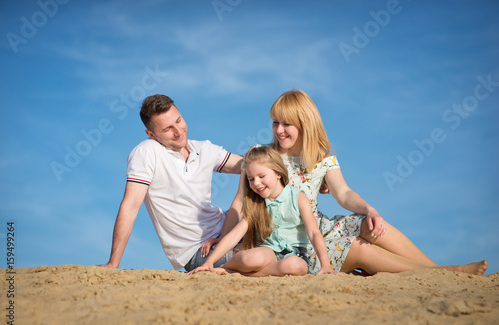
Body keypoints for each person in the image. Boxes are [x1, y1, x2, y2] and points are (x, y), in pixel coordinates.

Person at [268, 89, 487, 276]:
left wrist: (370, 210)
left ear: (305, 124)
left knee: (372, 224)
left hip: (321, 228)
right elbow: (235, 164)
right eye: (275, 122)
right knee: (357, 247)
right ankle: (444, 273)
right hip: (296, 243)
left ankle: (439, 269)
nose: (279, 130)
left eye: (287, 124)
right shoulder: (266, 158)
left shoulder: (322, 160)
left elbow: (343, 193)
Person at [99, 94, 243, 271]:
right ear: (152, 134)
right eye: (168, 129)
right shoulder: (146, 152)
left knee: (260, 170)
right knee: (261, 256)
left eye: (179, 120)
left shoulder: (203, 148)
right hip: (198, 250)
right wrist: (113, 263)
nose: (178, 131)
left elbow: (253, 165)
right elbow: (130, 206)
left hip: (228, 227)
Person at [189, 145, 334, 277]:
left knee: (294, 266)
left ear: (278, 173)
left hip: (296, 254)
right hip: (268, 251)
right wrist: (210, 261)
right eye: (251, 179)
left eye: (261, 176)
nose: (256, 183)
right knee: (250, 258)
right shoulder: (257, 203)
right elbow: (235, 235)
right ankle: (225, 267)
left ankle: (234, 273)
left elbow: (314, 233)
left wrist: (325, 264)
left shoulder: (298, 198)